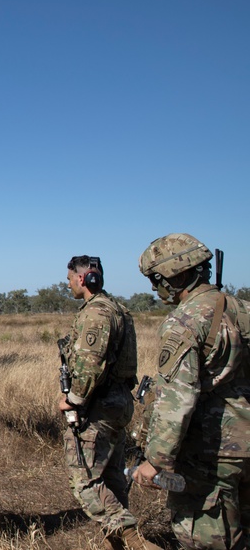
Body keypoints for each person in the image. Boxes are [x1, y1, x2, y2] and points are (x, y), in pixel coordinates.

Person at [132, 234, 250, 549]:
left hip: (211, 454)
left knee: (206, 538)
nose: (155, 289)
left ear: (180, 276)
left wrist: (156, 460)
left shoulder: (184, 322)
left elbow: (176, 399)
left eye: (157, 280)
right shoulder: (243, 309)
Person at [57, 256, 155, 550]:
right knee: (111, 479)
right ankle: (118, 544)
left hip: (98, 407)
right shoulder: (118, 309)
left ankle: (133, 539)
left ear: (84, 279)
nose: (68, 283)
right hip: (117, 404)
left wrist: (72, 399)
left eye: (70, 278)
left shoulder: (96, 313)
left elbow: (90, 363)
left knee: (84, 481)